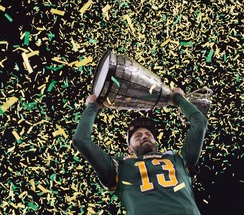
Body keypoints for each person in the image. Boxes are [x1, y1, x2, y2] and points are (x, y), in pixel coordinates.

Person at [72, 88, 208, 215]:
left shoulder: (178, 158)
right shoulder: (119, 166)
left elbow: (200, 122)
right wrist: (92, 107)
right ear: (129, 149)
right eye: (137, 136)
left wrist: (178, 98)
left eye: (148, 134)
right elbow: (81, 141)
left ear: (156, 141)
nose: (144, 136)